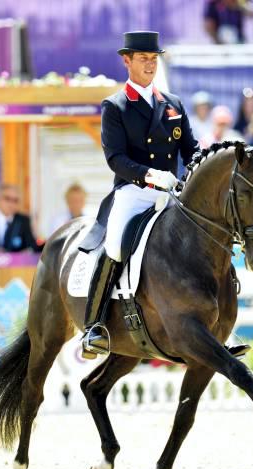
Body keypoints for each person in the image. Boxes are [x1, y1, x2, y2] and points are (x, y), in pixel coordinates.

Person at [78, 31, 199, 356]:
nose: (150, 64)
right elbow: (115, 158)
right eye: (143, 58)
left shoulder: (173, 104)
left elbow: (191, 150)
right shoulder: (115, 106)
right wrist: (149, 175)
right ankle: (94, 325)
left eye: (153, 58)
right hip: (134, 191)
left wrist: (202, 169)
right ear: (127, 61)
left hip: (170, 193)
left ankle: (218, 323)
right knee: (116, 245)